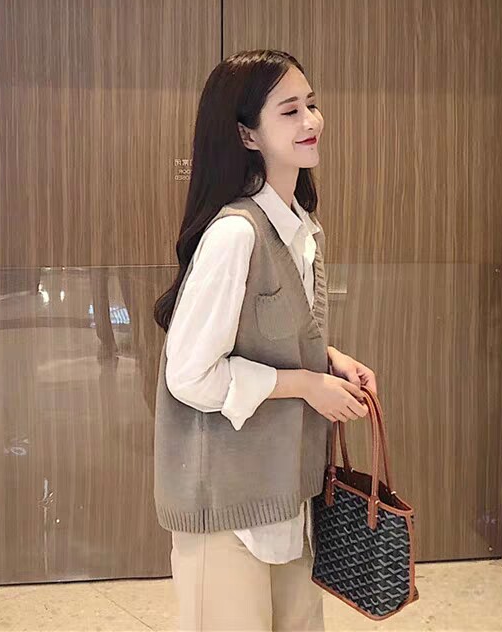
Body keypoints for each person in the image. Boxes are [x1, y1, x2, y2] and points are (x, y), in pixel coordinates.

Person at [153, 50, 377, 631]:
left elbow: (267, 334)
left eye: (311, 104)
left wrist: (328, 360)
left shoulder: (301, 227)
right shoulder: (236, 234)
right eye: (289, 110)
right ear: (247, 134)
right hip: (226, 506)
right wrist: (305, 383)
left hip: (288, 492)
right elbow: (190, 376)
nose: (311, 121)